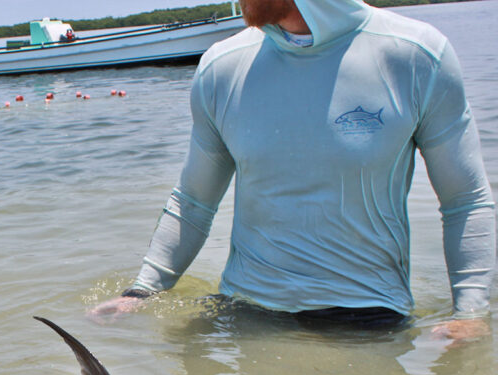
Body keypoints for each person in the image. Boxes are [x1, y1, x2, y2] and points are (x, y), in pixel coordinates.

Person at [90, 0, 495, 336]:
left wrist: (469, 314)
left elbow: (465, 199)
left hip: (369, 323)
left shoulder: (417, 55)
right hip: (243, 315)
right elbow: (194, 201)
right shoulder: (221, 67)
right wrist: (141, 292)